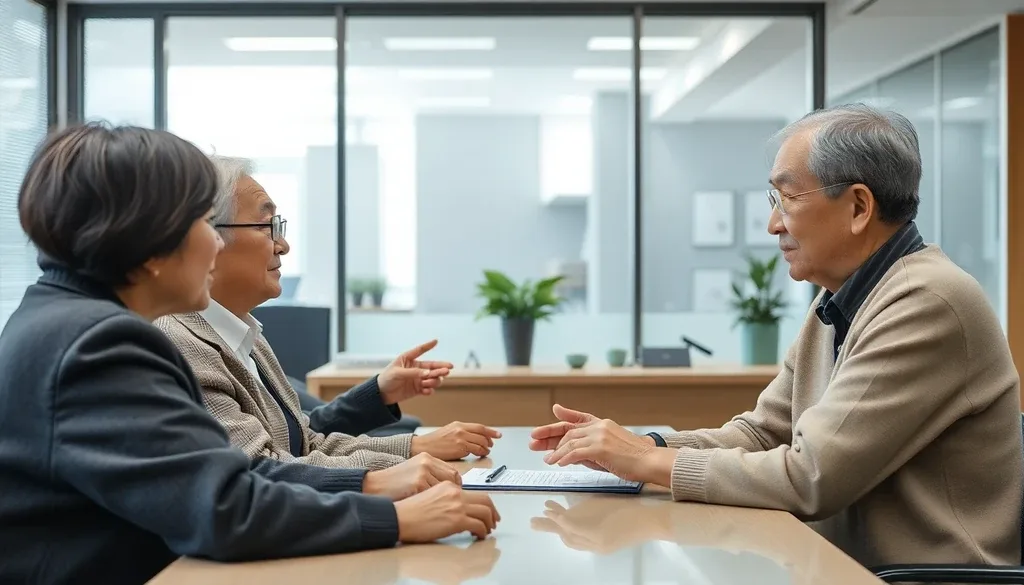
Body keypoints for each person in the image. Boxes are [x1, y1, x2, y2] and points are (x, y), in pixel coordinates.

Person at [0, 123, 498, 584]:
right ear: (151, 242)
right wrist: (393, 515)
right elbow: (223, 507)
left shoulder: (64, 320)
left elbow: (253, 468)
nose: (214, 246)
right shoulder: (101, 343)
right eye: (202, 223)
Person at [529, 103, 1022, 568]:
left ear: (858, 207)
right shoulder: (840, 300)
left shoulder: (927, 302)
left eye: (787, 198)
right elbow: (762, 433)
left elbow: (812, 478)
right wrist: (642, 446)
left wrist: (647, 460)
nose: (772, 224)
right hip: (839, 566)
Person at [156, 155, 501, 471]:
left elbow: (306, 442)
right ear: (206, 238)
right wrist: (401, 468)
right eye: (266, 226)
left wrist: (413, 452)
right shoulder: (179, 341)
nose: (283, 244)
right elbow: (261, 472)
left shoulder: (247, 335)